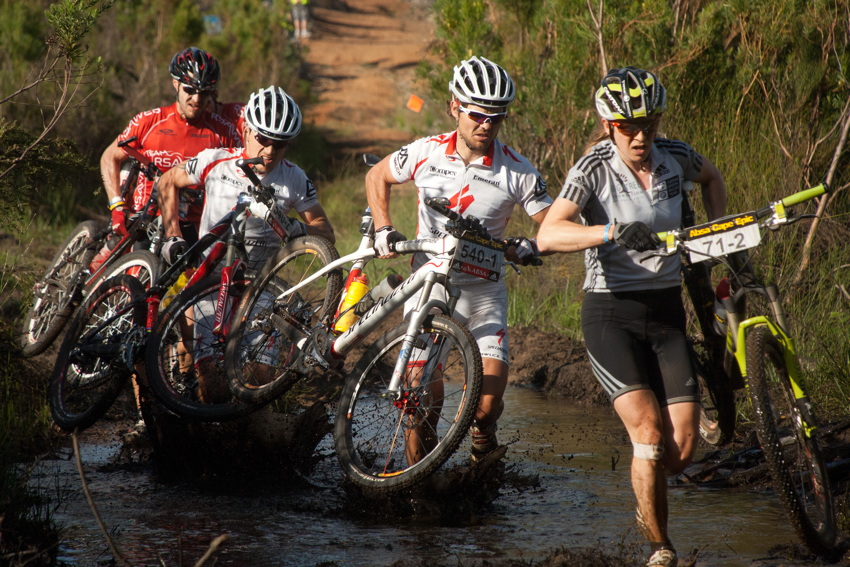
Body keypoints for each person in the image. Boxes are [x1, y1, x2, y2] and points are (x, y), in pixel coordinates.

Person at [535, 66, 728, 567]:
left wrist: (709, 236)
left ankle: (644, 491)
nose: (640, 135)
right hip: (610, 314)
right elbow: (548, 235)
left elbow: (712, 178)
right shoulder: (592, 168)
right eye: (627, 126)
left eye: (649, 123)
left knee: (679, 451)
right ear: (607, 125)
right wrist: (609, 232)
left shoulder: (676, 156)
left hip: (665, 313)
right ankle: (659, 549)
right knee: (646, 432)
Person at [365, 56, 552, 462]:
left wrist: (533, 245)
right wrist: (383, 227)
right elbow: (376, 175)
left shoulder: (517, 170)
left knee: (485, 408)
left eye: (497, 118)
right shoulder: (425, 151)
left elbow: (554, 224)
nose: (486, 125)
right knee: (418, 402)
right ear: (455, 107)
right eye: (478, 114)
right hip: (429, 291)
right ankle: (418, 488)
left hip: (482, 294)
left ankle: (483, 438)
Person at [157, 85, 335, 401]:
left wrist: (292, 225)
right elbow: (168, 180)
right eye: (263, 139)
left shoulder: (294, 178)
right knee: (211, 384)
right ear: (245, 130)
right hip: (212, 285)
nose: (269, 150)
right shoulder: (215, 161)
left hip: (261, 288)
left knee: (259, 380)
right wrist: (171, 235)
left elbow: (325, 231)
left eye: (279, 144)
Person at [98, 46, 239, 263]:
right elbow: (110, 157)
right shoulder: (149, 121)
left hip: (192, 225)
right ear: (176, 84)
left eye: (204, 92)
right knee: (121, 272)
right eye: (190, 90)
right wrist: (117, 205)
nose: (197, 99)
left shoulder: (224, 132)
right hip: (144, 216)